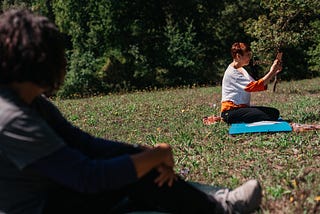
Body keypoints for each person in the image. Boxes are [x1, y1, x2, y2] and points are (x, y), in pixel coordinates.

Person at [0, 9, 262, 214]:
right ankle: (222, 209)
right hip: (42, 207)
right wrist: (153, 157)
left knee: (136, 164)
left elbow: (85, 143)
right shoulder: (12, 118)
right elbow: (87, 177)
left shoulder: (29, 101)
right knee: (139, 173)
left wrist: (142, 153)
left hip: (54, 193)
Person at [220, 42, 283, 124]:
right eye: (248, 55)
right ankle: (226, 119)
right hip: (230, 111)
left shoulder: (241, 70)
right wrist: (272, 71)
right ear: (238, 56)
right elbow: (254, 86)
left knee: (274, 112)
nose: (250, 57)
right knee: (272, 115)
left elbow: (258, 84)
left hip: (240, 109)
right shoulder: (232, 72)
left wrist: (274, 72)